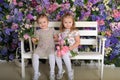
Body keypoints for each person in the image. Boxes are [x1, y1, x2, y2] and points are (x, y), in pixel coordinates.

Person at [32, 13, 57, 80]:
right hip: (41, 47)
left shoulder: (52, 29)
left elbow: (56, 37)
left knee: (52, 56)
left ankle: (52, 73)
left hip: (50, 47)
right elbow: (36, 41)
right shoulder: (38, 31)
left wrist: (56, 38)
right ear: (38, 24)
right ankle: (36, 73)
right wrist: (34, 40)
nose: (42, 24)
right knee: (35, 55)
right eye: (40, 23)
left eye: (44, 22)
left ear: (47, 22)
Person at [55, 13, 80, 80]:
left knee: (64, 54)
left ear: (73, 23)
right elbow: (59, 40)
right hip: (63, 49)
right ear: (62, 23)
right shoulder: (61, 32)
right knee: (56, 54)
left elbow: (78, 42)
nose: (67, 24)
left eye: (69, 22)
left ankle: (70, 71)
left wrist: (71, 47)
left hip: (72, 49)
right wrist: (56, 39)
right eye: (65, 22)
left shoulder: (75, 31)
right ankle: (61, 70)